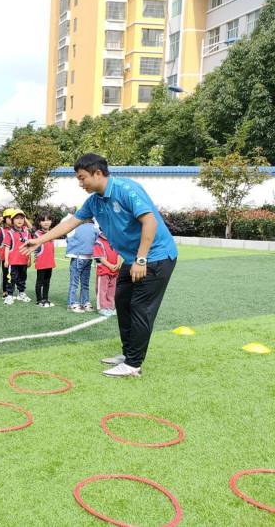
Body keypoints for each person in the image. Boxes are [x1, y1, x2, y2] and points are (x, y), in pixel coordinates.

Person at [21, 153, 178, 378]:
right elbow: (70, 223)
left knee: (140, 308)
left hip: (156, 256)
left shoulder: (126, 189)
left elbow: (149, 220)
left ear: (97, 173)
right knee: (122, 302)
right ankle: (128, 354)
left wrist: (141, 259)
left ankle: (134, 364)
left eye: (82, 177)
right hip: (134, 258)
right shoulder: (95, 201)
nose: (80, 183)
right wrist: (40, 240)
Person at [65, 219, 98, 313]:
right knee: (85, 283)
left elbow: (68, 239)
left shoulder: (75, 227)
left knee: (74, 283)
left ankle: (72, 303)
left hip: (77, 257)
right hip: (88, 257)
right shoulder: (94, 228)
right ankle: (84, 302)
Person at [4, 209, 32, 305]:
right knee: (11, 279)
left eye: (21, 218)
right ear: (12, 221)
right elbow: (7, 247)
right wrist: (6, 260)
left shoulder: (27, 233)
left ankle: (21, 293)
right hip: (13, 262)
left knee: (22, 278)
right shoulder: (10, 233)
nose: (19, 220)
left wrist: (29, 259)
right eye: (16, 218)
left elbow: (30, 247)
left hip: (24, 261)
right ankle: (9, 295)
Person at [93, 230, 121, 317]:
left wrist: (118, 264)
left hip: (115, 270)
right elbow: (100, 257)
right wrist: (109, 265)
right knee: (102, 289)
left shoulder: (115, 240)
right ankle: (102, 307)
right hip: (104, 270)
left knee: (112, 290)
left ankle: (111, 307)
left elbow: (119, 254)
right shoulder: (98, 242)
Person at [33, 213, 56, 308]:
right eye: (43, 220)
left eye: (48, 220)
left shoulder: (53, 233)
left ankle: (45, 298)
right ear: (39, 222)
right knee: (40, 282)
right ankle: (39, 300)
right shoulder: (37, 234)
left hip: (50, 262)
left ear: (51, 221)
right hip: (41, 261)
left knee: (47, 281)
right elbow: (35, 248)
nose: (46, 222)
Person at [0, 208, 14, 299]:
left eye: (13, 217)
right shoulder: (1, 230)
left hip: (15, 257)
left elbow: (29, 227)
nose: (11, 219)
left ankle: (13, 290)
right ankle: (5, 291)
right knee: (6, 274)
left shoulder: (17, 229)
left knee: (14, 274)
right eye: (9, 217)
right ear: (5, 219)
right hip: (4, 257)